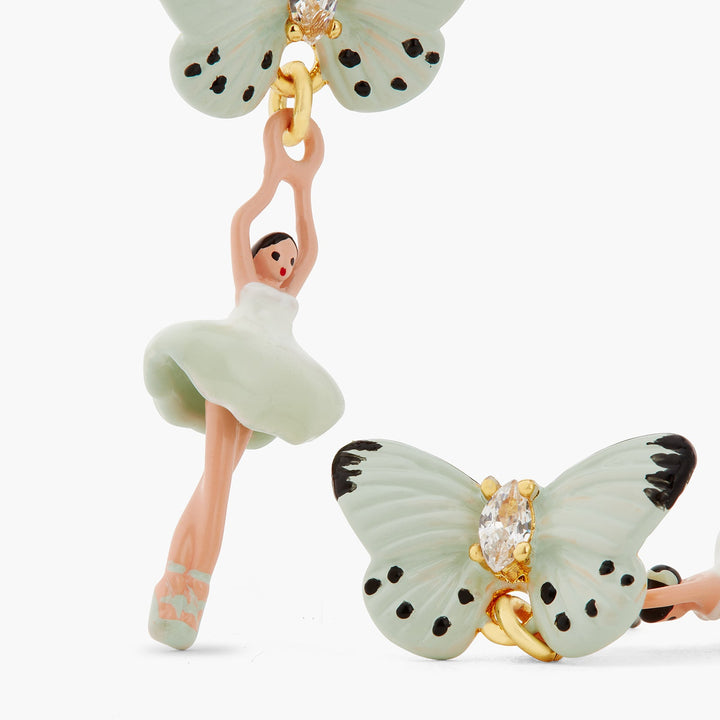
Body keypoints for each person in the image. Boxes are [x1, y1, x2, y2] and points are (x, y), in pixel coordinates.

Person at [144, 111, 343, 649]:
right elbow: (240, 222)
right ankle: (184, 594)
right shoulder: (246, 280)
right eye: (275, 254)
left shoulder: (288, 293)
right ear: (255, 258)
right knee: (217, 484)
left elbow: (312, 248)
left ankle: (178, 586)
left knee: (216, 482)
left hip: (265, 377)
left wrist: (304, 188)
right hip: (229, 366)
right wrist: (273, 177)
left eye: (288, 259)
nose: (285, 263)